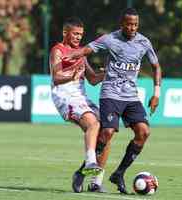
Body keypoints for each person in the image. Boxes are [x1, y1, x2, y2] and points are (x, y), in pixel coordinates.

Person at [65, 8, 162, 194]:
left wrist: (156, 93)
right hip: (110, 94)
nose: (132, 28)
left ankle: (119, 173)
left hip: (131, 97)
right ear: (122, 24)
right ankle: (81, 172)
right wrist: (69, 56)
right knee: (107, 132)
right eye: (129, 24)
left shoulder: (144, 42)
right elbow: (86, 50)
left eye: (135, 24)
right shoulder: (110, 39)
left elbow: (156, 66)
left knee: (144, 132)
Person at [49, 17, 105, 193]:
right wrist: (71, 76)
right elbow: (56, 78)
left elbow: (93, 80)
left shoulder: (81, 52)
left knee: (107, 130)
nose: (78, 37)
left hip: (81, 97)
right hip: (65, 96)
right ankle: (90, 162)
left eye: (80, 34)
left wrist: (106, 73)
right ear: (65, 33)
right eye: (75, 34)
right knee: (93, 124)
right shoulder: (58, 50)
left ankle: (91, 179)